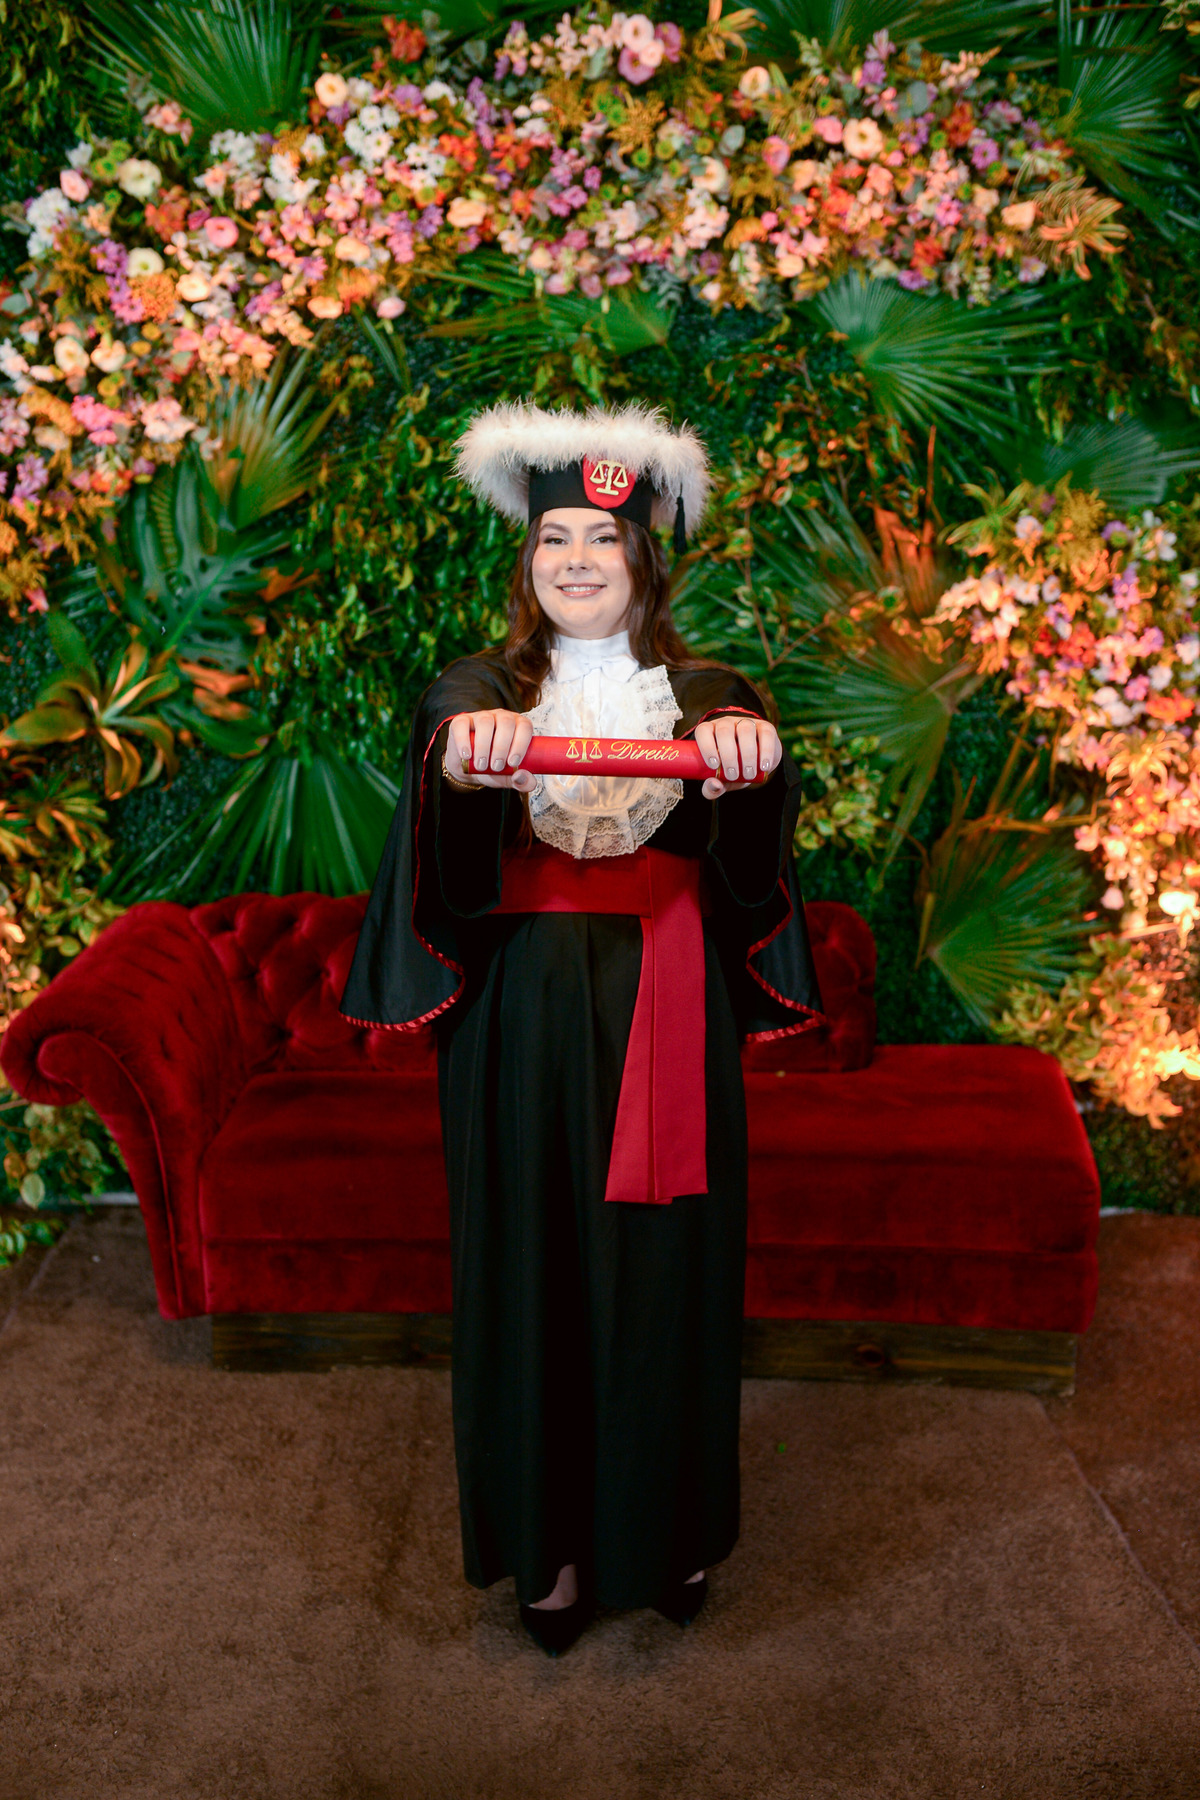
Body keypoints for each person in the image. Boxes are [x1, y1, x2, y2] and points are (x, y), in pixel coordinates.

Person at [340, 402, 823, 1655]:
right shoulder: (480, 690)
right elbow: (445, 819)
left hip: (669, 997)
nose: (574, 557)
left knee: (669, 1271)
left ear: (644, 559)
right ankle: (547, 1546)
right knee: (529, 1268)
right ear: (528, 557)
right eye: (553, 536)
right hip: (520, 1014)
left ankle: (665, 1532)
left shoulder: (711, 695)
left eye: (602, 538)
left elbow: (750, 871)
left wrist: (754, 767)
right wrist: (463, 762)